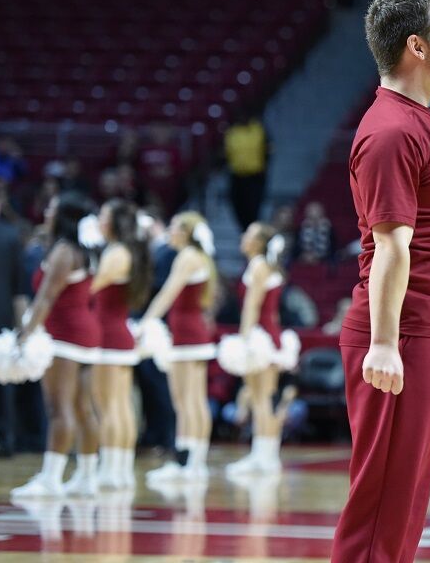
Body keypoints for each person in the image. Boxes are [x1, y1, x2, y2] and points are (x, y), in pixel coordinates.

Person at [331, 0, 430, 563]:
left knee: (406, 505)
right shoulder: (391, 131)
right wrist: (383, 342)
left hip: (427, 329)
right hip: (397, 335)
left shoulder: (426, 125)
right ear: (417, 47)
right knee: (381, 509)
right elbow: (392, 248)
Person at [11, 193, 103, 498]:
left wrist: (25, 333)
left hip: (66, 335)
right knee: (82, 408)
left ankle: (51, 480)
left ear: (63, 216)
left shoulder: (64, 251)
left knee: (58, 408)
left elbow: (47, 297)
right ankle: (87, 478)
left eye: (52, 208)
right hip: (85, 332)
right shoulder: (85, 249)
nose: (47, 211)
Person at [140, 211, 217, 483]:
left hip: (186, 335)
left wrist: (144, 322)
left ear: (186, 233)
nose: (169, 232)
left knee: (185, 400)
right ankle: (194, 462)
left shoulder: (186, 257)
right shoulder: (199, 257)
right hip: (194, 332)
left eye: (173, 227)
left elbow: (167, 293)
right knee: (194, 399)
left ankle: (188, 463)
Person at [225, 222, 299, 477]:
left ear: (257, 242)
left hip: (260, 338)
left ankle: (263, 458)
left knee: (260, 398)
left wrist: (244, 341)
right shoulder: (268, 266)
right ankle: (265, 457)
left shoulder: (258, 266)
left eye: (248, 234)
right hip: (270, 335)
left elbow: (252, 307)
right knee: (263, 398)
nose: (243, 237)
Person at [92, 199, 152, 490]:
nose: (98, 221)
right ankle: (122, 469)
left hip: (108, 335)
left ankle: (111, 469)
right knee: (121, 405)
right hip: (119, 333)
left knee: (109, 405)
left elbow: (90, 289)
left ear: (115, 222)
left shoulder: (116, 252)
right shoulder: (129, 251)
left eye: (102, 216)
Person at [0, 188, 28, 458]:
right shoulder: (10, 234)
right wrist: (22, 326)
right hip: (0, 317)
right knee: (3, 382)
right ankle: (7, 439)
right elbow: (19, 287)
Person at [224, 108, 270, 230]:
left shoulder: (259, 130)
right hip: (237, 176)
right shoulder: (231, 132)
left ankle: (253, 233)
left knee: (253, 208)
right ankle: (244, 232)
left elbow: (268, 152)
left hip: (254, 176)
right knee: (237, 207)